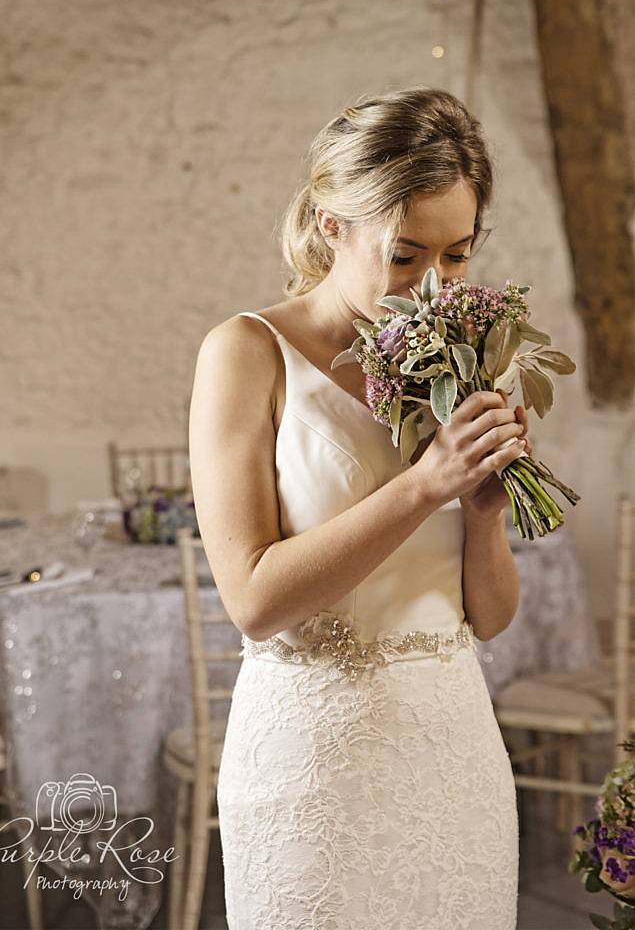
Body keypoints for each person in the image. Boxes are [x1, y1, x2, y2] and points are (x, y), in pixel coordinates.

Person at [189, 87, 529, 929]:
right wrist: (422, 486)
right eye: (406, 255)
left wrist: (481, 512)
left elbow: (488, 618)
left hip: (453, 753)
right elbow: (255, 601)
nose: (434, 289)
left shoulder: (468, 360)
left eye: (457, 256)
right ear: (331, 224)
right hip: (312, 766)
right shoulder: (246, 353)